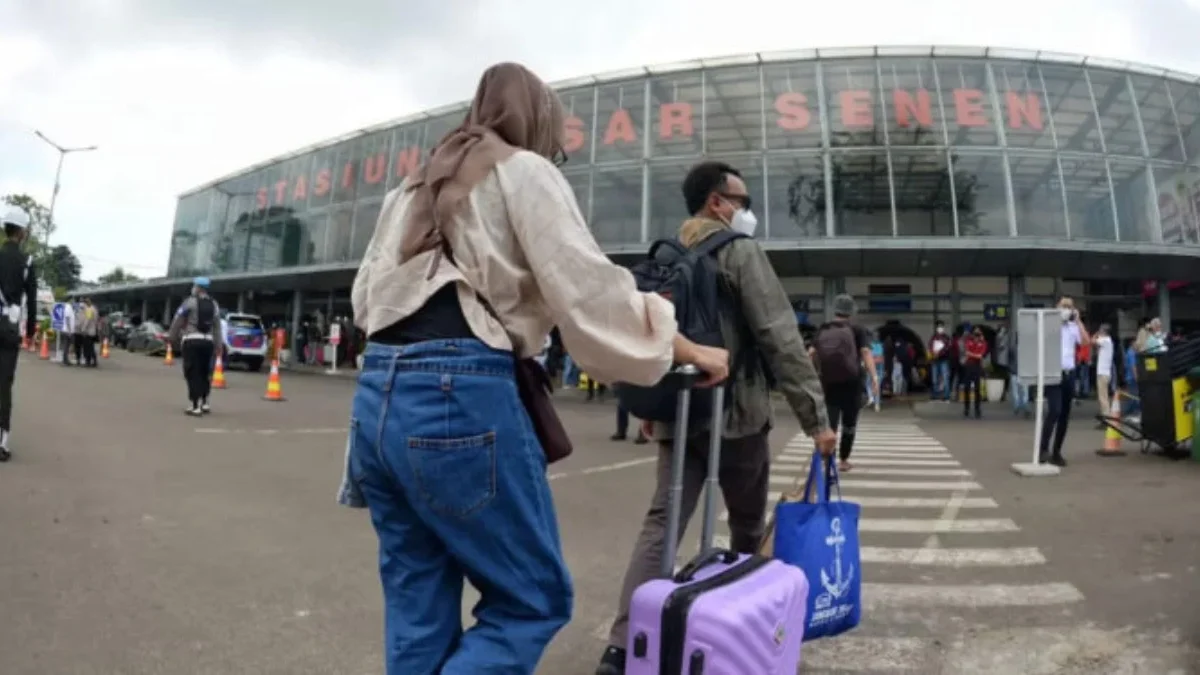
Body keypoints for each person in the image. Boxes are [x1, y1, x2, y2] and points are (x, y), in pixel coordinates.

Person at [338, 63, 730, 675]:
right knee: (531, 600)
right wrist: (688, 347)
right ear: (537, 118)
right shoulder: (524, 171)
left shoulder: (408, 190)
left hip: (377, 395)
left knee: (419, 602)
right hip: (458, 390)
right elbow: (588, 289)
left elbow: (366, 299)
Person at [597, 160, 834, 675]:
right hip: (737, 413)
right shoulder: (740, 252)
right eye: (741, 201)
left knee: (662, 522)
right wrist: (816, 419)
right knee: (748, 526)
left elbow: (646, 335)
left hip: (679, 415)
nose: (747, 211)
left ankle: (622, 646)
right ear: (716, 203)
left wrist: (651, 403)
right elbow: (780, 337)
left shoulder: (665, 256)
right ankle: (745, 629)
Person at [809, 294, 878, 475]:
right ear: (851, 312)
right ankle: (844, 461)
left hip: (829, 383)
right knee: (849, 424)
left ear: (836, 310)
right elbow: (865, 353)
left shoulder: (824, 328)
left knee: (830, 423)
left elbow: (810, 353)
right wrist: (874, 377)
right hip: (852, 384)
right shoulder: (858, 330)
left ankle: (826, 459)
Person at [0, 208, 37, 461]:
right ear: (22, 232)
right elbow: (32, 303)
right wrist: (31, 332)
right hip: (9, 328)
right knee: (4, 384)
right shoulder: (27, 263)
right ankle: (2, 443)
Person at [1039, 297, 1090, 466]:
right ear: (1056, 308)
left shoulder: (1073, 327)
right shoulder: (1050, 325)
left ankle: (1057, 452)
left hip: (1069, 373)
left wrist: (1078, 320)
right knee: (1054, 410)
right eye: (1064, 306)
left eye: (1069, 306)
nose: (1067, 309)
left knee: (1065, 415)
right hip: (1054, 373)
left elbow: (1085, 341)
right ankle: (1042, 449)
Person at [167, 277, 223, 416]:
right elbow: (217, 327)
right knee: (205, 373)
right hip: (208, 342)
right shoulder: (214, 305)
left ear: (197, 288)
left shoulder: (189, 303)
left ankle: (194, 405)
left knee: (192, 372)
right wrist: (218, 345)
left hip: (191, 341)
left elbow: (178, 321)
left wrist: (171, 338)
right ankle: (205, 402)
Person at [961, 326, 988, 419]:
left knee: (977, 389)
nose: (976, 336)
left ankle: (977, 409)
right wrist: (974, 355)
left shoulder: (983, 343)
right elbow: (967, 352)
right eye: (975, 334)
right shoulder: (969, 341)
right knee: (967, 388)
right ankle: (966, 408)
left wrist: (972, 354)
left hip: (977, 367)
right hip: (969, 366)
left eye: (978, 334)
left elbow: (980, 356)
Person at [1093, 323, 1115, 427]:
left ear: (1104, 332)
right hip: (1105, 372)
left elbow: (1092, 341)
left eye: (1100, 331)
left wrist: (1095, 334)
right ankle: (1106, 417)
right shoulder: (1107, 342)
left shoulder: (1105, 340)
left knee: (1103, 398)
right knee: (1104, 397)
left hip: (1103, 373)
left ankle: (1106, 419)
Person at [928, 320, 951, 401]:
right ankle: (935, 395)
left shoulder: (946, 338)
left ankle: (946, 395)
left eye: (941, 327)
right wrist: (932, 353)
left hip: (944, 360)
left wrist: (939, 353)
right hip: (934, 360)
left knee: (945, 378)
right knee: (934, 379)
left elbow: (947, 348)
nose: (940, 328)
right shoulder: (933, 337)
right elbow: (930, 346)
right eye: (938, 327)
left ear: (943, 328)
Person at [79, 298, 99, 366]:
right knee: (91, 347)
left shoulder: (89, 310)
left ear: (86, 303)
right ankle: (94, 361)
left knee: (87, 347)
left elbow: (87, 320)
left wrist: (83, 329)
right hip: (93, 331)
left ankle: (88, 361)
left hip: (88, 332)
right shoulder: (94, 309)